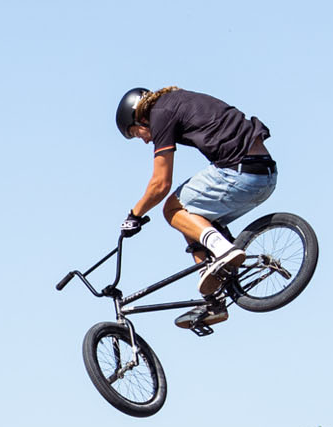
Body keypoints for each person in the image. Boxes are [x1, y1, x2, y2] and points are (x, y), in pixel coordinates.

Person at [116, 86, 276, 330]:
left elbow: (160, 183)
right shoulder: (176, 102)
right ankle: (213, 300)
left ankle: (222, 250)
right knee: (191, 219)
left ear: (139, 116)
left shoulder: (161, 113)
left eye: (137, 133)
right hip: (265, 177)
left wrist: (134, 215)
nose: (145, 139)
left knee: (172, 209)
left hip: (240, 173)